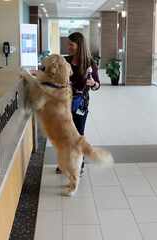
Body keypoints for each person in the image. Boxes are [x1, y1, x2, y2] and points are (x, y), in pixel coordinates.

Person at [56, 32, 101, 175]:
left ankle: (79, 164)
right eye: (68, 44)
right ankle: (64, 164)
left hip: (80, 104)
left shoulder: (89, 63)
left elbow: (97, 85)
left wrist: (93, 83)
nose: (68, 47)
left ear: (79, 46)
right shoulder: (65, 61)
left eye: (71, 44)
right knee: (64, 135)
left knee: (78, 134)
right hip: (64, 104)